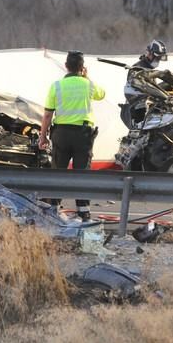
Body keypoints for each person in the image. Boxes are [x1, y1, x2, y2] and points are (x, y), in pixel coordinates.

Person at [38, 51, 106, 221]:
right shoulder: (88, 85)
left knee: (58, 171)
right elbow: (102, 94)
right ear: (82, 68)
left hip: (61, 134)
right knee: (82, 173)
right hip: (83, 135)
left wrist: (43, 137)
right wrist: (87, 78)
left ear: (66, 66)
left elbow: (47, 115)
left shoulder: (57, 86)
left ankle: (53, 210)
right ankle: (84, 213)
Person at [122, 39, 167, 127]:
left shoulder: (150, 70)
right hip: (137, 109)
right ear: (149, 54)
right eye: (156, 58)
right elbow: (137, 88)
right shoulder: (137, 68)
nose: (157, 61)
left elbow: (153, 89)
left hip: (147, 108)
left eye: (159, 59)